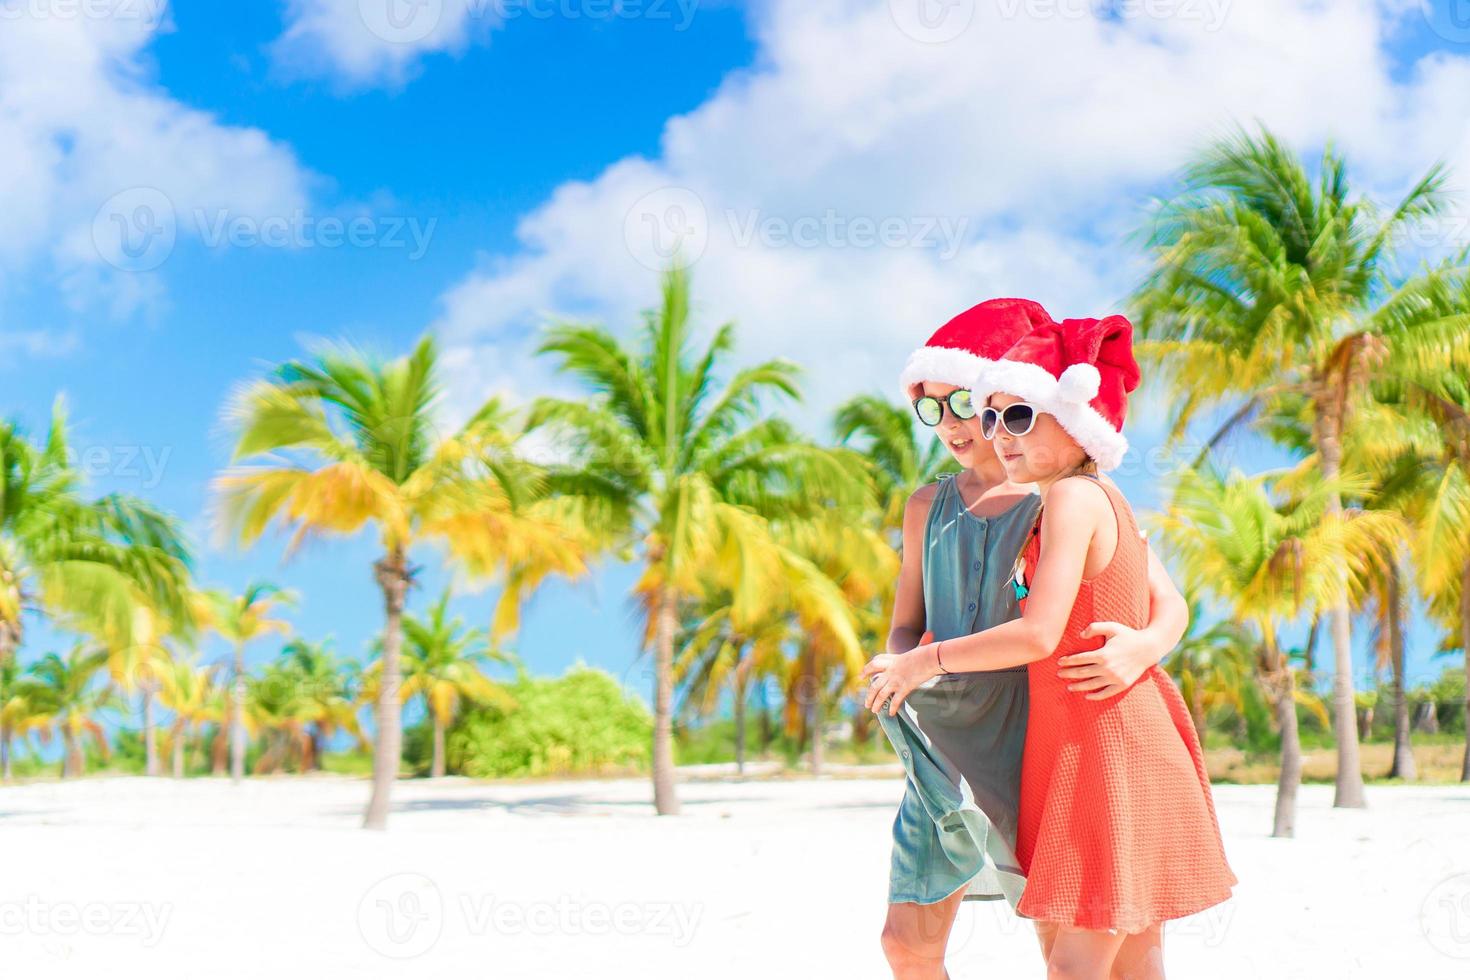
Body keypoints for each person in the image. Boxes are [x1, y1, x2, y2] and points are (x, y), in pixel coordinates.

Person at [865, 312, 1236, 980]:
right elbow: (908, 619)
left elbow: (1165, 602)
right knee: (908, 943)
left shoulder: (1065, 497)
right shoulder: (932, 504)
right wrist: (900, 664)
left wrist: (1144, 646)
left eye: (962, 402)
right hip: (949, 743)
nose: (953, 424)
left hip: (1046, 740)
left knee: (1077, 946)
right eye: (929, 409)